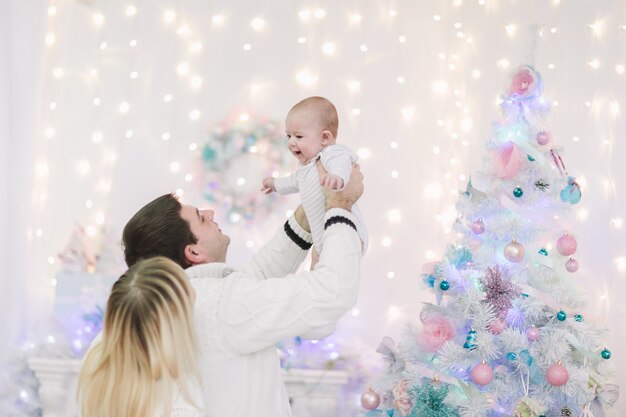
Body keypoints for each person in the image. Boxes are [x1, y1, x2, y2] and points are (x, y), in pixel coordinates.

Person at [121, 162, 364, 416]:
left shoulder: (187, 299)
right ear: (193, 252)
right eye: (201, 218)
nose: (211, 213)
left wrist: (306, 217)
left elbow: (254, 278)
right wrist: (340, 208)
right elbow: (332, 292)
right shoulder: (222, 304)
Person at [77, 257, 205, 417]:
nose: (194, 293)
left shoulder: (97, 363)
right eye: (186, 290)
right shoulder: (181, 398)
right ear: (174, 321)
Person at [261, 96, 368, 268]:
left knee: (333, 269)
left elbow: (341, 163)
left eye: (298, 136)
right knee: (317, 269)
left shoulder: (331, 154)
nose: (291, 142)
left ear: (325, 138)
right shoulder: (306, 168)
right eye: (288, 136)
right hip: (321, 240)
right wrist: (274, 184)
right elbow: (292, 181)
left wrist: (337, 177)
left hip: (347, 229)